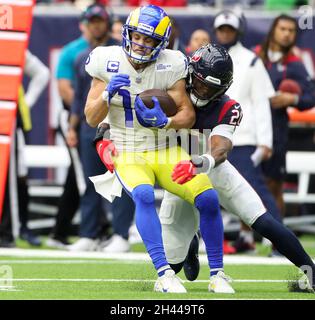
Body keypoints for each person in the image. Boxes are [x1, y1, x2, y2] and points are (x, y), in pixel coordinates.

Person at [85, 5, 233, 294]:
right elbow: (91, 117)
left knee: (208, 199)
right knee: (141, 194)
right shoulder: (106, 60)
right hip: (127, 149)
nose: (141, 43)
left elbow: (187, 115)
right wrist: (105, 94)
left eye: (149, 39)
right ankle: (164, 273)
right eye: (137, 36)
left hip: (163, 146)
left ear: (161, 43)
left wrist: (166, 122)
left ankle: (218, 273)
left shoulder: (172, 63)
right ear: (128, 34)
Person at [161, 44, 315, 292]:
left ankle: (312, 271)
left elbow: (220, 148)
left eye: (211, 87)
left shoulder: (227, 107)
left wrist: (203, 162)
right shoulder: (171, 90)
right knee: (173, 266)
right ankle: (190, 240)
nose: (203, 90)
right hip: (178, 174)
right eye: (200, 82)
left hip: (208, 167)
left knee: (263, 221)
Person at [212, 10, 283, 254]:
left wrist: (265, 142)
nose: (225, 34)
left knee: (256, 193)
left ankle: (279, 242)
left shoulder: (251, 60)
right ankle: (241, 239)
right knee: (210, 191)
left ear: (237, 32)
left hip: (242, 139)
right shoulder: (207, 57)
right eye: (221, 29)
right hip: (212, 138)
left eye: (229, 29)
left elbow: (261, 102)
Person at [67, 3, 135, 253]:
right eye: (91, 21)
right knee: (91, 181)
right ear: (86, 24)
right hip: (90, 124)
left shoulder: (120, 52)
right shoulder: (80, 57)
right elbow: (78, 99)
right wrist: (72, 127)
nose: (96, 25)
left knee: (122, 178)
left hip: (116, 123)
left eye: (99, 20)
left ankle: (120, 233)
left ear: (107, 22)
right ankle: (89, 233)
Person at [255, 14, 315, 218]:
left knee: (274, 185)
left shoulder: (295, 64)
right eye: (283, 29)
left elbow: (310, 97)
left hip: (276, 131)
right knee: (245, 184)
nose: (287, 34)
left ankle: (276, 241)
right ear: (273, 30)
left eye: (291, 30)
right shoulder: (255, 57)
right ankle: (245, 237)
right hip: (250, 129)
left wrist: (292, 99)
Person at [47, 8, 92, 248]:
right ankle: (65, 230)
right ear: (82, 24)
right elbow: (65, 90)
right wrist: (90, 110)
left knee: (82, 175)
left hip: (96, 118)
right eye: (91, 22)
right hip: (75, 117)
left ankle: (67, 230)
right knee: (80, 176)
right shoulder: (72, 52)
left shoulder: (110, 48)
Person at [0, 50, 50, 247]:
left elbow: (42, 73)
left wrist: (24, 104)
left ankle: (14, 229)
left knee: (15, 177)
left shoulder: (11, 45)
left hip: (10, 124)